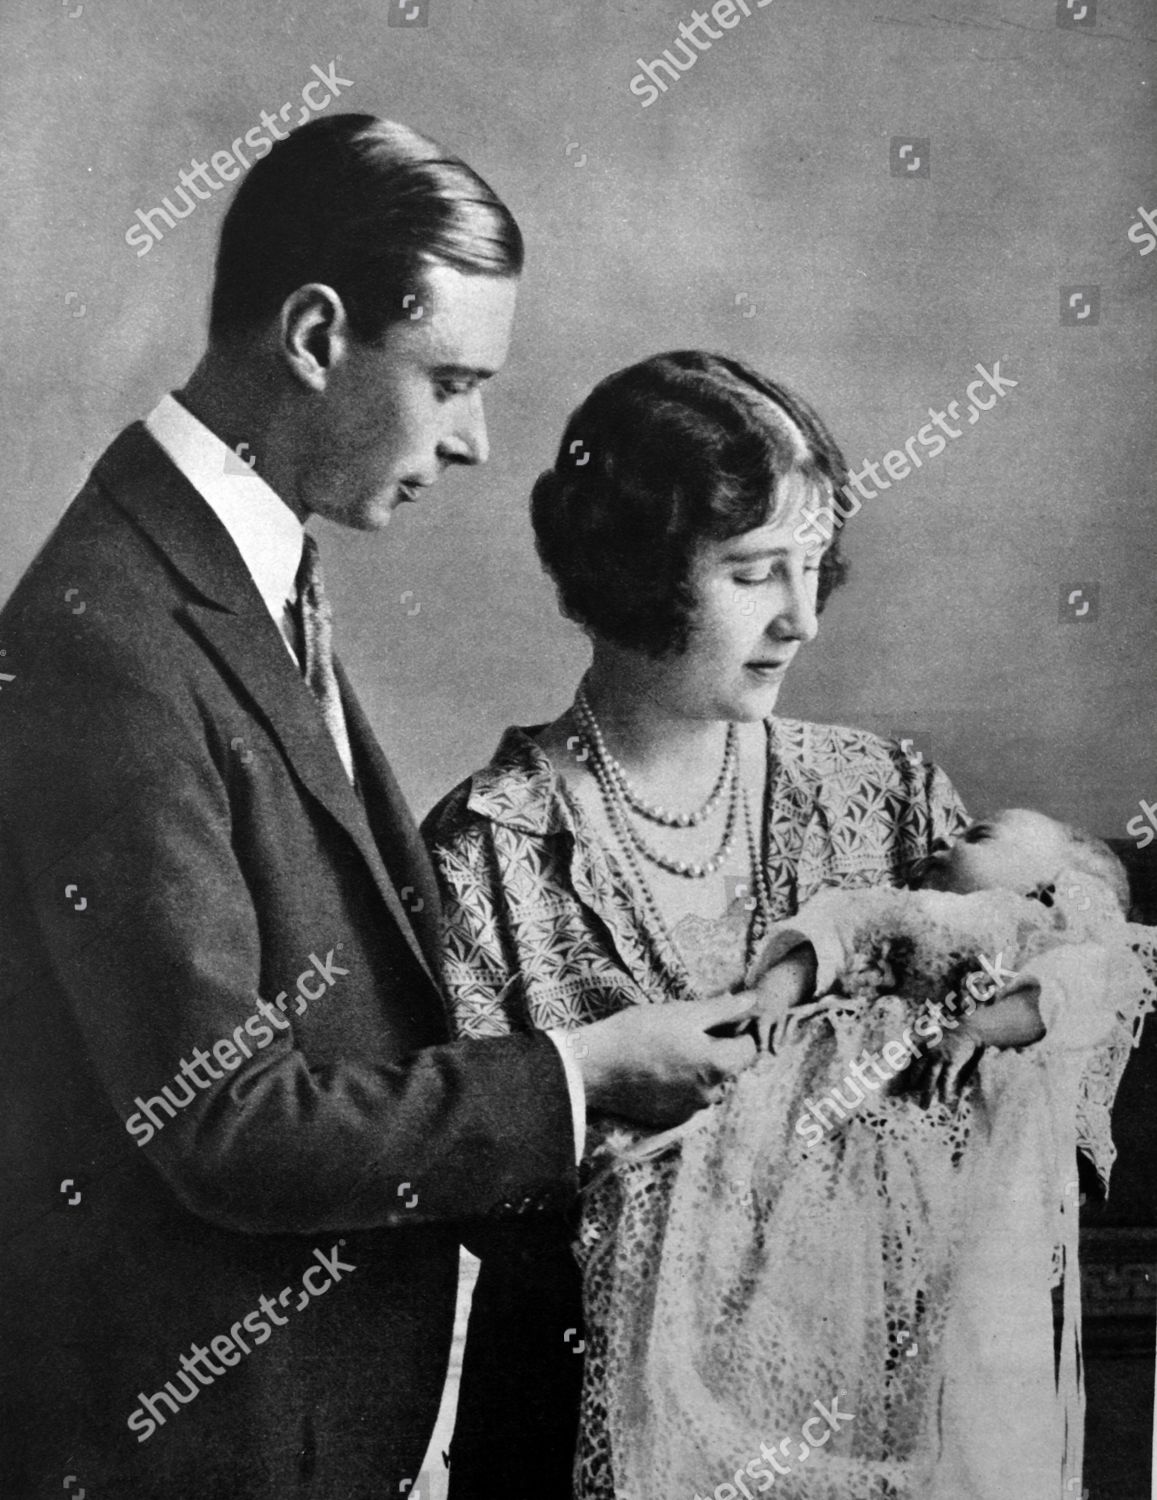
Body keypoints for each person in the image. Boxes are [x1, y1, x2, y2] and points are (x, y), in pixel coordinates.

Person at [0, 120, 756, 1499]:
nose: (475, 441)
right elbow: (222, 1121)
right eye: (451, 381)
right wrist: (576, 1086)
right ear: (310, 336)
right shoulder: (108, 635)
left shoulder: (233, 576)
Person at [422, 351, 1134, 1498]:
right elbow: (458, 1178)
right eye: (755, 574)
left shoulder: (885, 794)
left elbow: (1051, 1040)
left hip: (873, 1434)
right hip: (574, 1439)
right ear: (634, 569)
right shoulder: (488, 849)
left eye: (812, 569)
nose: (800, 619)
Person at [582, 807, 1155, 1500]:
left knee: (929, 1314)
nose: (945, 839)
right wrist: (770, 993)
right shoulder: (897, 905)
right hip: (817, 1107)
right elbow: (828, 935)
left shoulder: (1040, 931)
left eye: (978, 837)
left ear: (1052, 887)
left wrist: (976, 1028)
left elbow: (1064, 993)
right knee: (780, 1248)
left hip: (928, 1120)